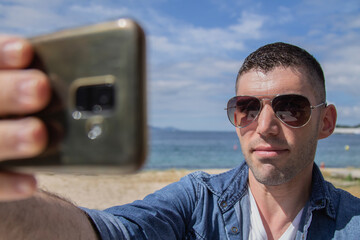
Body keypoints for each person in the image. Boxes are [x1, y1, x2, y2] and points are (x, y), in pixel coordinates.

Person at [0, 35, 359, 240]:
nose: (263, 125)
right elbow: (113, 233)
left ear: (325, 121)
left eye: (290, 107)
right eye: (247, 107)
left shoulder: (352, 222)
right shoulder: (196, 202)